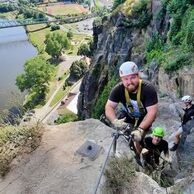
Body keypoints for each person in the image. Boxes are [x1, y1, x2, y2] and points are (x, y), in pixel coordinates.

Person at [105, 61, 158, 154]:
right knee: (125, 136)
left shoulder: (148, 89)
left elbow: (152, 113)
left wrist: (140, 130)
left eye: (132, 77)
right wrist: (115, 121)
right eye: (125, 79)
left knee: (137, 139)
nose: (129, 82)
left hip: (144, 118)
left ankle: (142, 154)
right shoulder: (118, 89)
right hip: (129, 115)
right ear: (121, 79)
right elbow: (109, 106)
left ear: (138, 76)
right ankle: (136, 152)